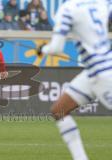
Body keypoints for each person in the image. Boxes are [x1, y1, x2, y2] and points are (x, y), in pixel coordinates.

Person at [37, 0, 112, 159]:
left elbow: (56, 48)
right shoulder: (102, 3)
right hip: (93, 71)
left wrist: (42, 49)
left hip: (103, 74)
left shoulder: (67, 9)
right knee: (59, 110)